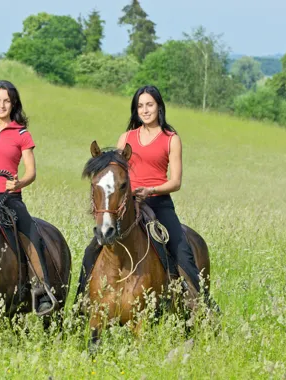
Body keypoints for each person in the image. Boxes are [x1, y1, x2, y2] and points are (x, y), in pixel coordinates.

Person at [76, 85, 203, 301]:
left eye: (150, 105)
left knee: (181, 250)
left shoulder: (171, 139)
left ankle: (199, 301)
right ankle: (81, 302)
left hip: (158, 203)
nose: (145, 110)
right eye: (140, 106)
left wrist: (151, 189)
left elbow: (176, 181)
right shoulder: (126, 137)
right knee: (92, 249)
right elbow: (115, 174)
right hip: (128, 203)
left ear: (159, 107)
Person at [0, 80, 54, 314]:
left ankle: (41, 290)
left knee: (32, 233)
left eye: (6, 100)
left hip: (9, 198)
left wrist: (19, 182)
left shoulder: (22, 134)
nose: (2, 105)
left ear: (13, 103)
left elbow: (31, 172)